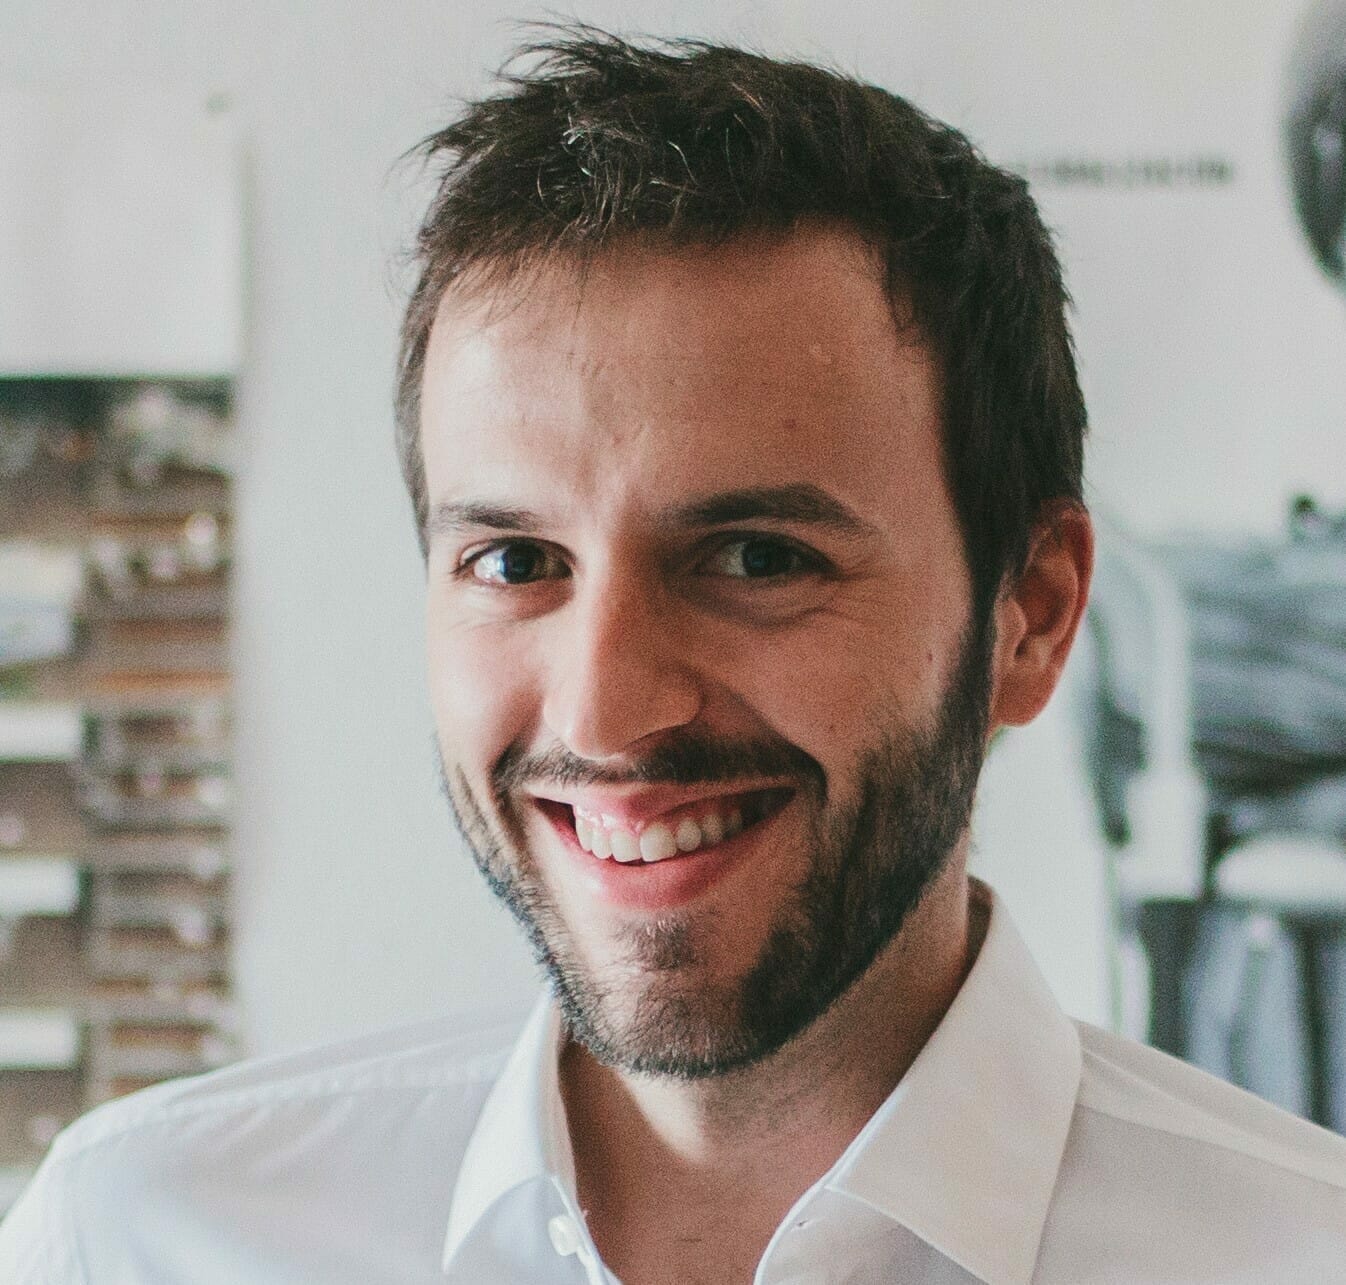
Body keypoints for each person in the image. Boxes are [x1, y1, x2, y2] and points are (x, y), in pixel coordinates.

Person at [5, 26, 1346, 1285]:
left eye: (757, 557)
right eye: (516, 562)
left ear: (1031, 615)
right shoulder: (141, 1239)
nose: (608, 708)